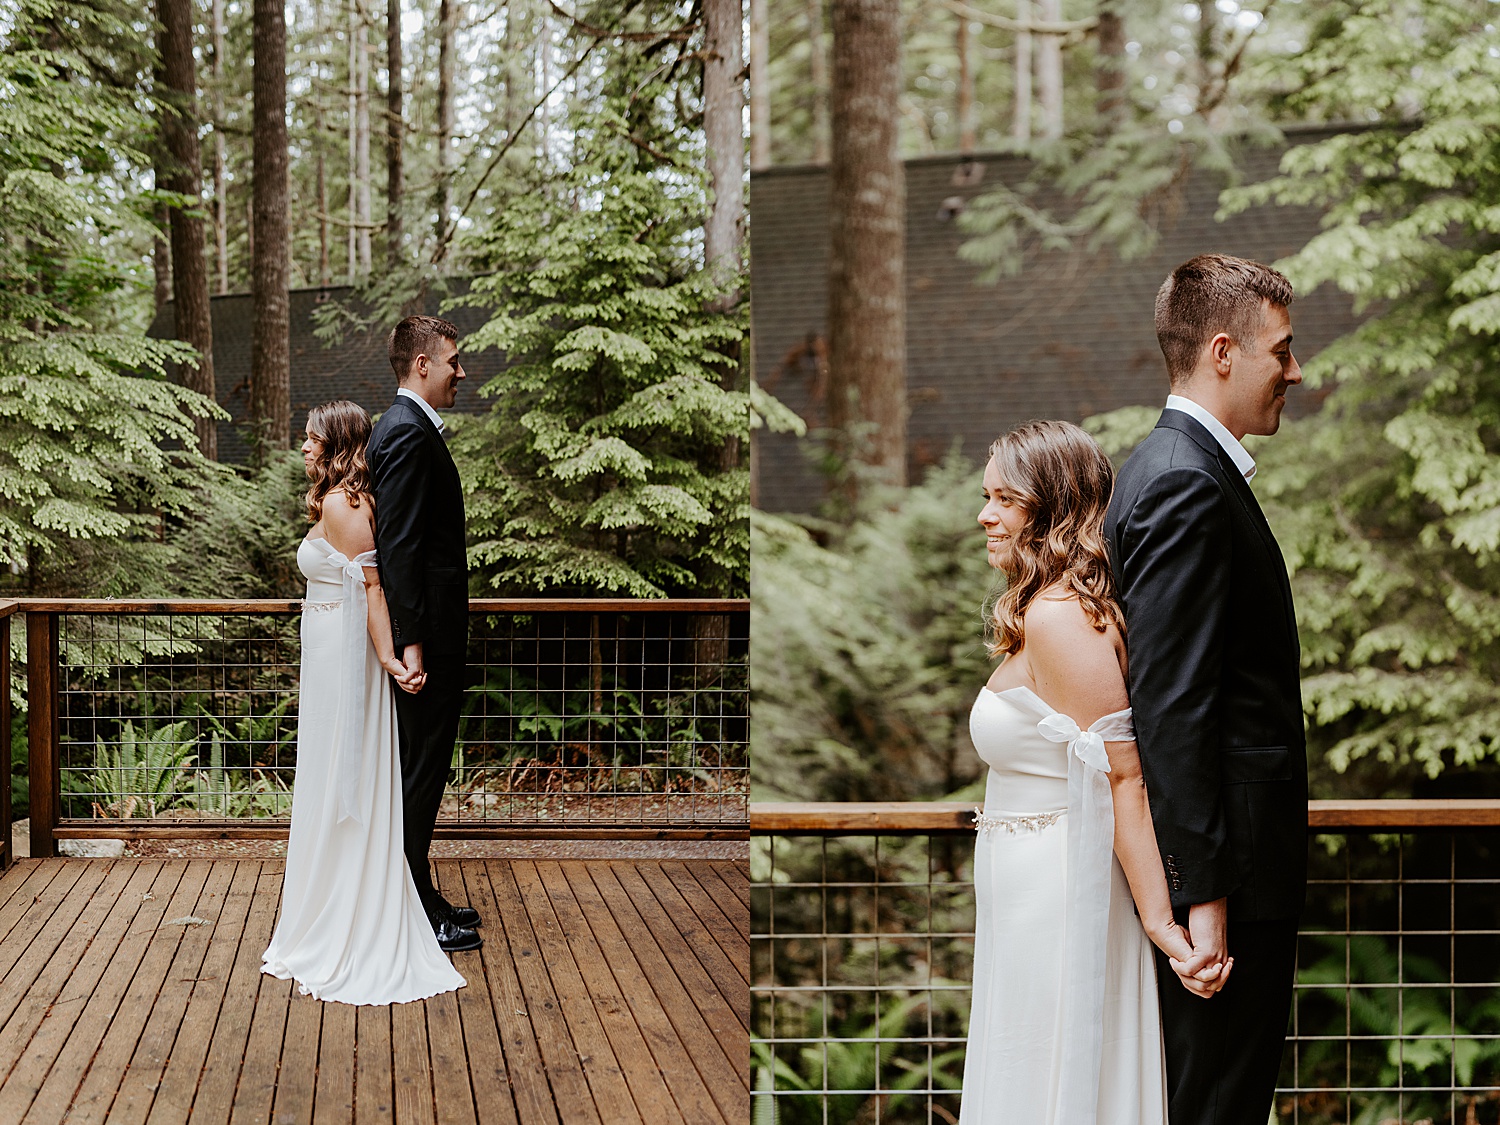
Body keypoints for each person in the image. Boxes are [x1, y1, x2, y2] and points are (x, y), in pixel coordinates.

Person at [960, 419, 1223, 1125]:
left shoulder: (1060, 618)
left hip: (1060, 898)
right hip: (1025, 899)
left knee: (1055, 1083)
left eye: (1004, 499)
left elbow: (1123, 776)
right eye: (987, 496)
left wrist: (1164, 924)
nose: (985, 514)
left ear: (1052, 507)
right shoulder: (1042, 609)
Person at [1104, 254, 1308, 1125]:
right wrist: (1205, 897)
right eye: (1283, 352)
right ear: (1223, 351)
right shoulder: (1186, 481)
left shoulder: (1164, 466)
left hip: (1226, 873)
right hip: (1226, 886)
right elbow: (1175, 706)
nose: (1296, 373)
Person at [261, 399, 466, 1004]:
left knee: (338, 774)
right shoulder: (343, 500)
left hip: (348, 659)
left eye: (310, 438)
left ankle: (345, 913)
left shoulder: (342, 505)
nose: (302, 446)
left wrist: (388, 658)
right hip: (330, 653)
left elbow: (373, 589)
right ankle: (329, 895)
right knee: (326, 775)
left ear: (336, 443)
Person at [366, 315, 482, 953]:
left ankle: (419, 892)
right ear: (422, 366)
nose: (461, 373)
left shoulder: (405, 429)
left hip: (427, 632)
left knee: (419, 771)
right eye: (453, 361)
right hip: (426, 641)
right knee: (419, 773)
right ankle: (411, 911)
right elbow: (401, 547)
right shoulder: (409, 435)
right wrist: (411, 644)